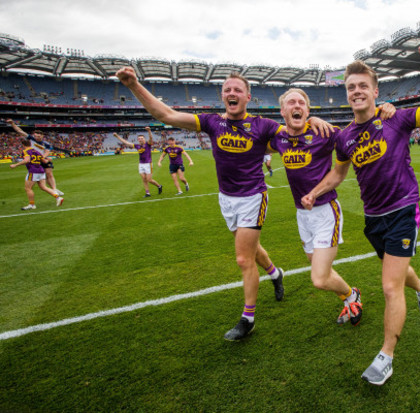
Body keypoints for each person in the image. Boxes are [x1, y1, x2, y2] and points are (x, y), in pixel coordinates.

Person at [116, 66, 334, 340]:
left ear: (247, 97)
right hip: (226, 198)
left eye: (237, 90)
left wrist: (310, 117)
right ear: (223, 96)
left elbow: (294, 128)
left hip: (253, 197)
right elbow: (165, 114)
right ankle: (275, 273)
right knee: (252, 252)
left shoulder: (262, 126)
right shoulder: (211, 122)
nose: (232, 93)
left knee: (243, 258)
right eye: (227, 90)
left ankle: (248, 318)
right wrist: (133, 85)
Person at [302, 39, 420, 385]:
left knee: (390, 286)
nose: (357, 91)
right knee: (399, 274)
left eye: (363, 86)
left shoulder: (397, 119)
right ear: (347, 94)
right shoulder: (344, 138)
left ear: (375, 91)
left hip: (403, 208)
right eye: (351, 87)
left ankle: (385, 356)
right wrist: (314, 191)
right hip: (374, 218)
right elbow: (339, 174)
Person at [268, 88, 395, 326]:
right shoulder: (278, 138)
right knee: (313, 262)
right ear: (283, 111)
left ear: (307, 110)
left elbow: (357, 130)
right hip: (301, 214)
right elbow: (251, 142)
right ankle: (349, 297)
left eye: (302, 103)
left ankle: (351, 294)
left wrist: (382, 108)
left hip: (326, 211)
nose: (297, 106)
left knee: (319, 278)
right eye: (291, 103)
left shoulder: (323, 132)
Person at [7, 119, 64, 195]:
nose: (37, 137)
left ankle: (54, 189)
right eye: (36, 136)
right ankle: (52, 190)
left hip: (42, 158)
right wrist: (12, 123)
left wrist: (42, 157)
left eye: (38, 136)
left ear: (42, 136)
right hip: (36, 160)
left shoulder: (46, 144)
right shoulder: (31, 139)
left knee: (49, 173)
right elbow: (20, 131)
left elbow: (47, 152)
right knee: (41, 179)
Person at [10, 138, 64, 210]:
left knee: (28, 188)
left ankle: (31, 205)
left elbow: (27, 160)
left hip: (33, 171)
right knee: (43, 187)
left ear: (23, 145)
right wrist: (49, 160)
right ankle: (58, 198)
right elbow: (44, 161)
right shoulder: (36, 151)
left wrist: (15, 165)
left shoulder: (26, 151)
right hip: (41, 170)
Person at [113, 127, 163, 197]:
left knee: (149, 179)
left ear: (144, 139)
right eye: (139, 139)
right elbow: (126, 142)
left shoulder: (148, 144)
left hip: (148, 163)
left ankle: (159, 186)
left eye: (142, 138)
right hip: (141, 164)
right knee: (144, 179)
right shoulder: (137, 146)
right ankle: (147, 193)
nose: (140, 140)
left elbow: (151, 138)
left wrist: (149, 131)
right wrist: (117, 136)